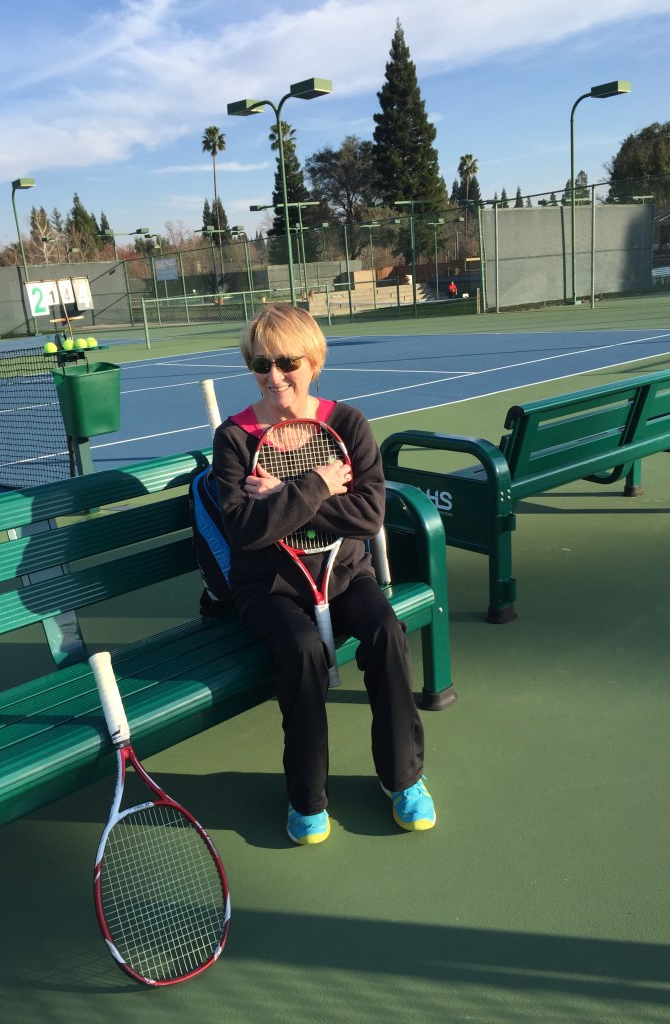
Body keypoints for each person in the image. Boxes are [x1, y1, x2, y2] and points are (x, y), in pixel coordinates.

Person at [211, 303, 436, 845]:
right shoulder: (234, 438)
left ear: (313, 362)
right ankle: (307, 798)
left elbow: (369, 516)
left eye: (287, 362)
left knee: (386, 632)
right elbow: (245, 533)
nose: (274, 376)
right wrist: (315, 486)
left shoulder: (348, 424)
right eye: (260, 364)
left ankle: (403, 778)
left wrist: (282, 498)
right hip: (269, 588)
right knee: (303, 651)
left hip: (346, 576)